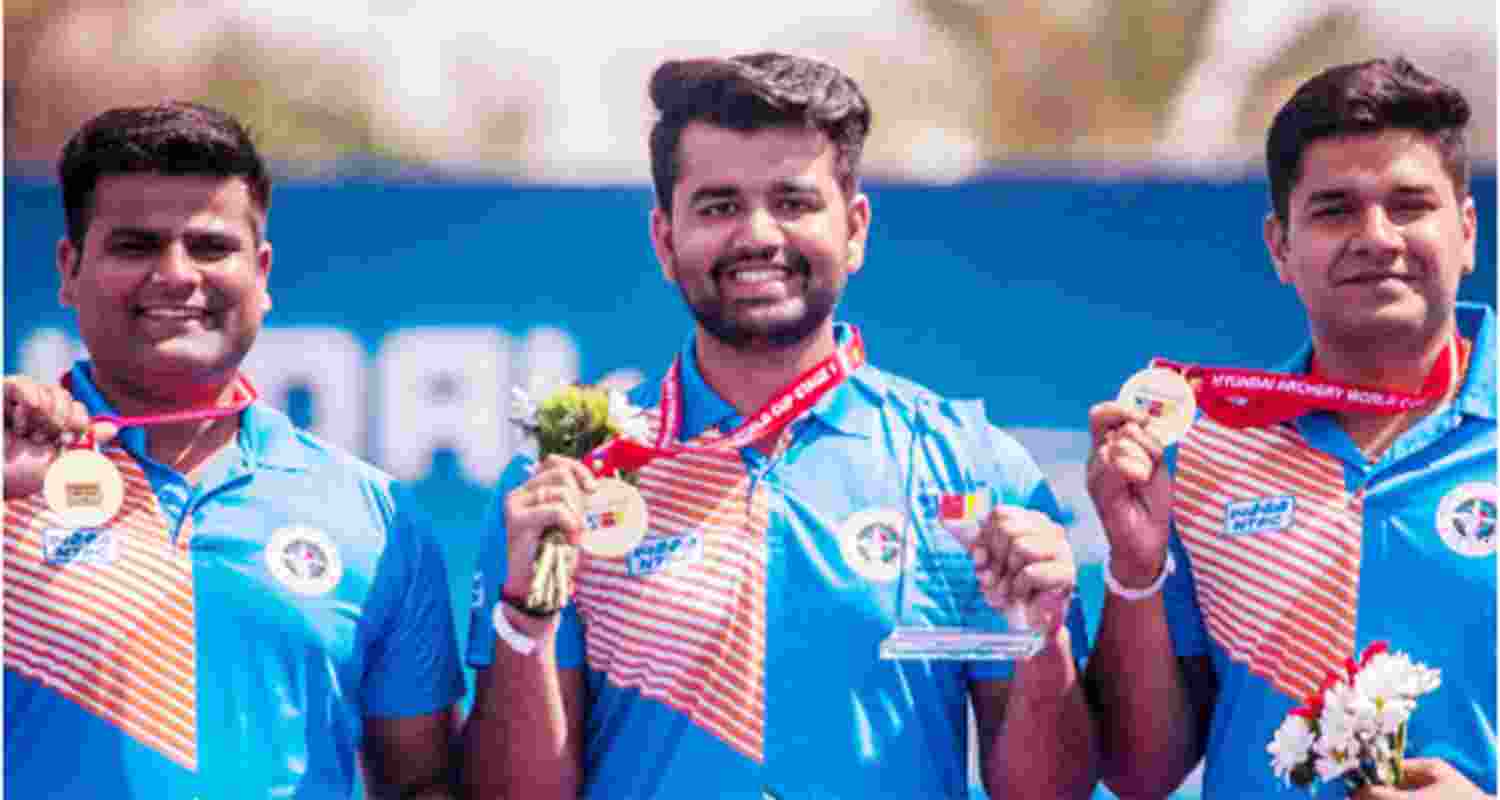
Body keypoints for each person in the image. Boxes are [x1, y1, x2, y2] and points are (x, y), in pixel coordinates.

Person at [462, 52, 1096, 800]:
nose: (758, 235)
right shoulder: (573, 479)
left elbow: (1049, 794)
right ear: (665, 240)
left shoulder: (972, 468)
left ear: (855, 229)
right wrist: (524, 621)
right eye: (719, 206)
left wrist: (1042, 638)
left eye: (793, 202)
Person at [2, 102, 466, 798]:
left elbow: (419, 784)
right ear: (70, 269)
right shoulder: (10, 475)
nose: (176, 274)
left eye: (211, 246)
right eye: (135, 245)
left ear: (264, 272)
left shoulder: (375, 514)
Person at [1084, 57, 1495, 798]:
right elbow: (1141, 775)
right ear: (1280, 246)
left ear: (1466, 232)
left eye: (1409, 205)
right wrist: (1136, 569)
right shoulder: (1206, 450)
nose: (1377, 236)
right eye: (1335, 209)